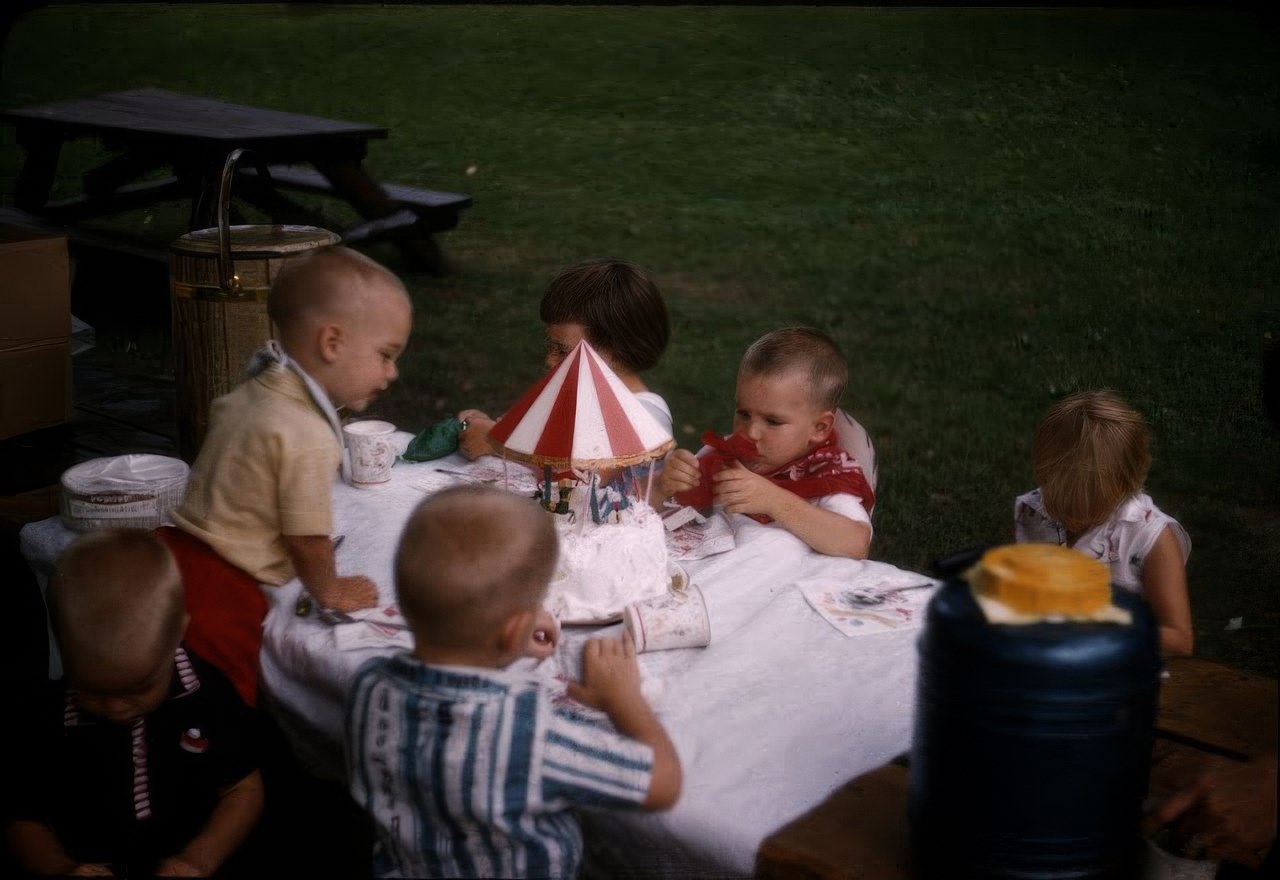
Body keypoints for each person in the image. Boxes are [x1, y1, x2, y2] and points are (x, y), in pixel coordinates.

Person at [345, 485, 682, 879]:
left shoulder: (368, 685)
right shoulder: (526, 730)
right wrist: (623, 699)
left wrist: (506, 640)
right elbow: (663, 783)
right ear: (515, 629)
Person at [164, 245, 413, 704]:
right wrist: (331, 589)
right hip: (223, 586)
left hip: (174, 553)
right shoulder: (306, 431)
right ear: (332, 343)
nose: (392, 372)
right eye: (386, 354)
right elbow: (306, 538)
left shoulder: (259, 386)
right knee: (220, 703)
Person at [3, 529, 263, 878]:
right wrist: (63, 869)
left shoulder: (208, 696)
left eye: (139, 687)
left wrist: (198, 860)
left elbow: (243, 789)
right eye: (93, 690)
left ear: (177, 635)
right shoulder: (47, 716)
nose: (117, 708)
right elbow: (24, 820)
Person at [652, 326, 876, 559]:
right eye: (744, 414)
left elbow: (856, 543)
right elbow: (650, 514)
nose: (751, 432)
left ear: (819, 429)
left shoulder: (826, 473)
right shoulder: (721, 457)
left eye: (772, 421)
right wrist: (663, 485)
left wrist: (774, 501)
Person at [1014, 390, 1193, 655]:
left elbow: (1180, 639)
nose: (1070, 519)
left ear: (1124, 486)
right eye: (1059, 503)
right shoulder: (1034, 512)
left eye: (1089, 510)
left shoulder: (1151, 538)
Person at [458, 257, 673, 458]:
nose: (549, 361)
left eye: (564, 352)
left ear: (618, 349)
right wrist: (476, 425)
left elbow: (590, 470)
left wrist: (495, 440)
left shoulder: (645, 415)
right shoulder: (576, 400)